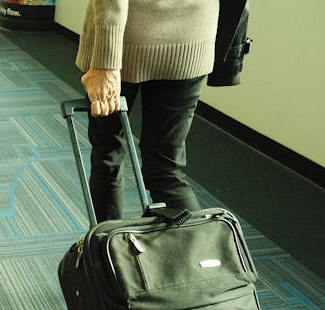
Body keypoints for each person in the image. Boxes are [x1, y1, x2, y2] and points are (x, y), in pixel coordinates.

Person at [76, 0, 219, 222]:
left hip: (124, 45)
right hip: (192, 38)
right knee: (166, 170)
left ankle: (107, 244)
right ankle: (196, 244)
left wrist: (106, 62)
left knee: (108, 159)